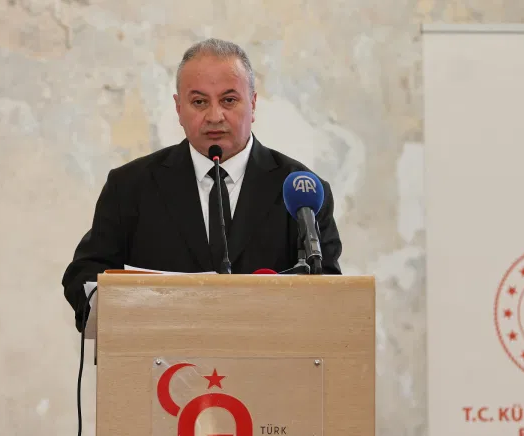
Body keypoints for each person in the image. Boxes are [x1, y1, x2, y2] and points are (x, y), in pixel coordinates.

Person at [61, 38, 343, 332]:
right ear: (178, 108)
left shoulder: (302, 191)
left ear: (253, 104)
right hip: (160, 353)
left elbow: (331, 294)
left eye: (229, 100)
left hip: (269, 355)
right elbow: (84, 275)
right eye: (199, 102)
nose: (215, 116)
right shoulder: (130, 187)